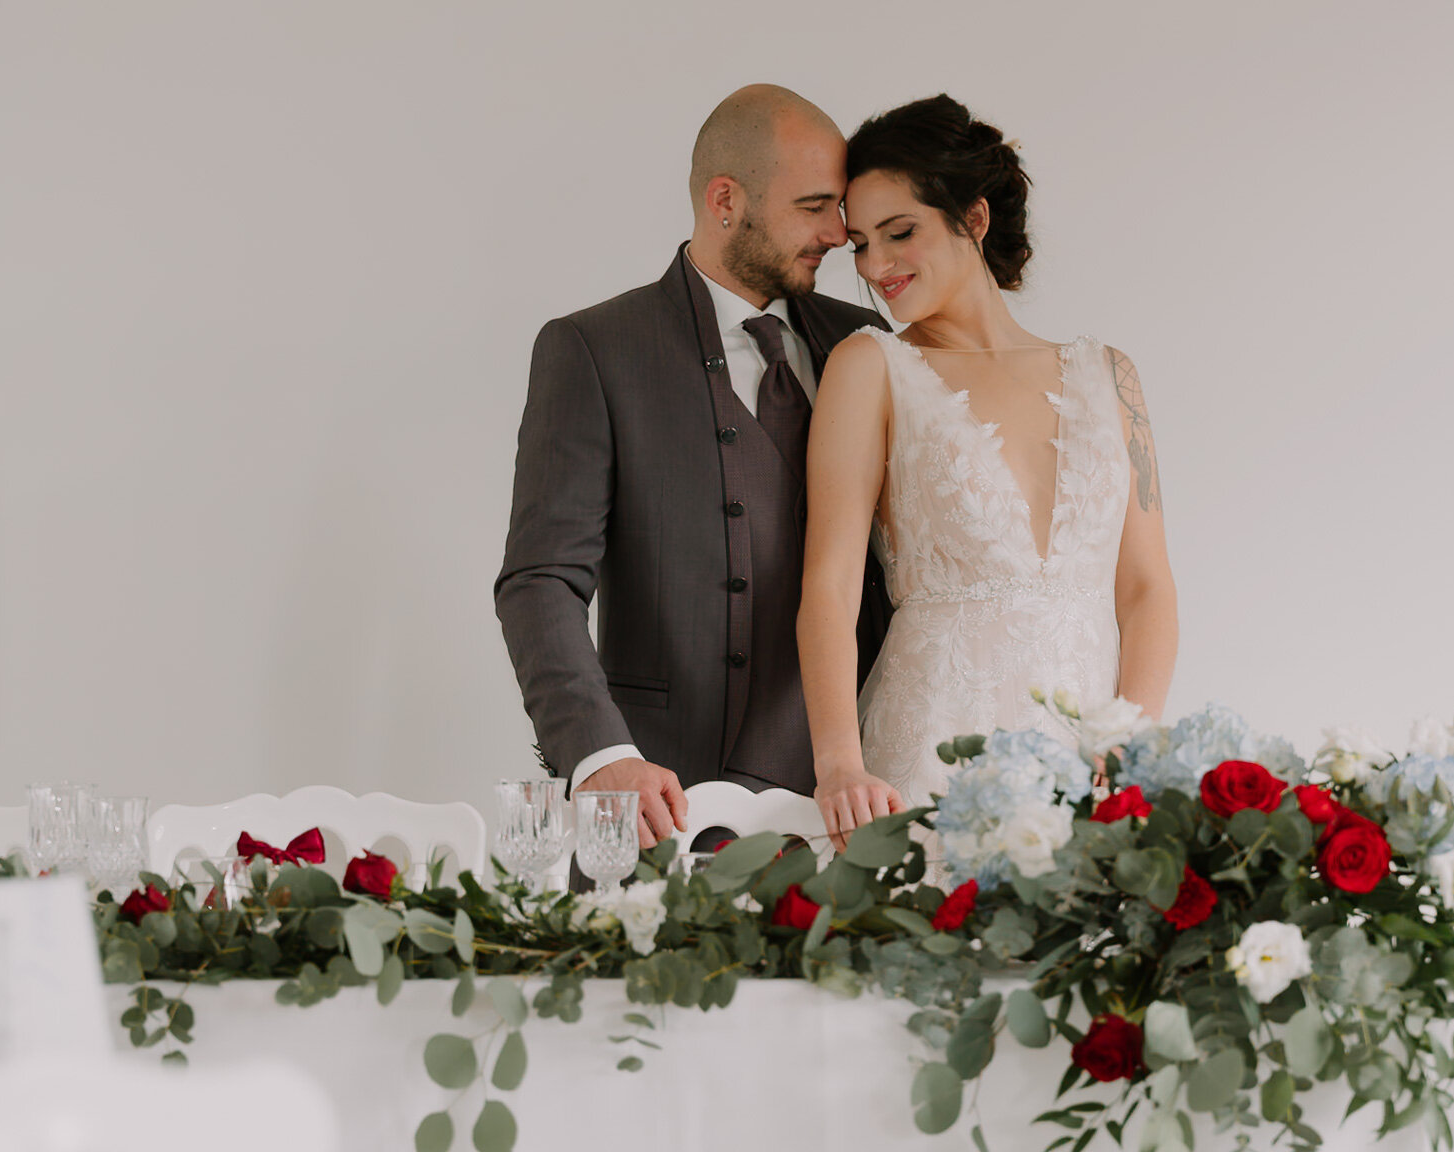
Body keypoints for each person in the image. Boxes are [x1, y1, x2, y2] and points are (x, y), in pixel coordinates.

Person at [496, 85, 892, 853]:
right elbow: (541, 579)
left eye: (839, 207)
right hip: (668, 807)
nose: (839, 234)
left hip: (857, 808)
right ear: (725, 201)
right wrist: (600, 754)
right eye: (814, 207)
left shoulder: (867, 341)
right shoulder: (596, 349)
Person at [798, 95, 1180, 850]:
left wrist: (1128, 748)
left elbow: (1146, 588)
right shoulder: (869, 367)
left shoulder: (1112, 377)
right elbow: (830, 582)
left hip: (1092, 768)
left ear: (973, 218)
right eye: (861, 245)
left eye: (900, 232)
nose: (875, 267)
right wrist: (838, 761)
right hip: (929, 755)